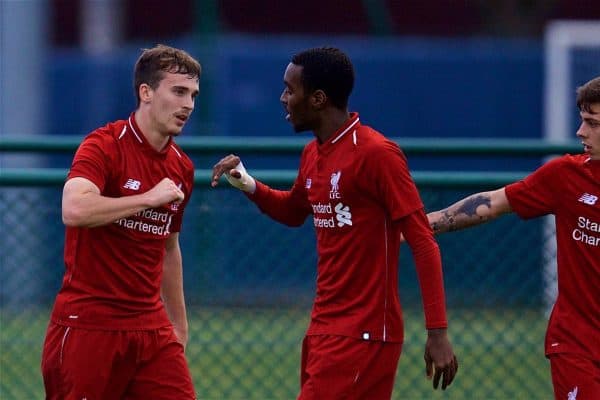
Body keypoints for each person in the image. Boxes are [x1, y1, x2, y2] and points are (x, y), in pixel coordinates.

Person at [211, 46, 458, 399]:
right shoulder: (313, 153)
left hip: (366, 334)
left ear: (318, 99)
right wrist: (247, 183)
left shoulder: (377, 154)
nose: (283, 98)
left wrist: (437, 333)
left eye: (289, 89)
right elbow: (294, 211)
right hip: (323, 330)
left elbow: (422, 242)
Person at [41, 44, 200, 399]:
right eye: (178, 91)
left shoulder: (181, 167)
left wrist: (178, 326)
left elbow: (169, 247)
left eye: (192, 94)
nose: (188, 105)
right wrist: (147, 198)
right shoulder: (103, 145)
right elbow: (75, 210)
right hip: (90, 325)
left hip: (151, 329)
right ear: (146, 92)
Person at [426, 76, 600, 400]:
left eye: (592, 123)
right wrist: (422, 226)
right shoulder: (565, 176)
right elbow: (493, 203)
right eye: (581, 120)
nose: (580, 132)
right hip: (577, 344)